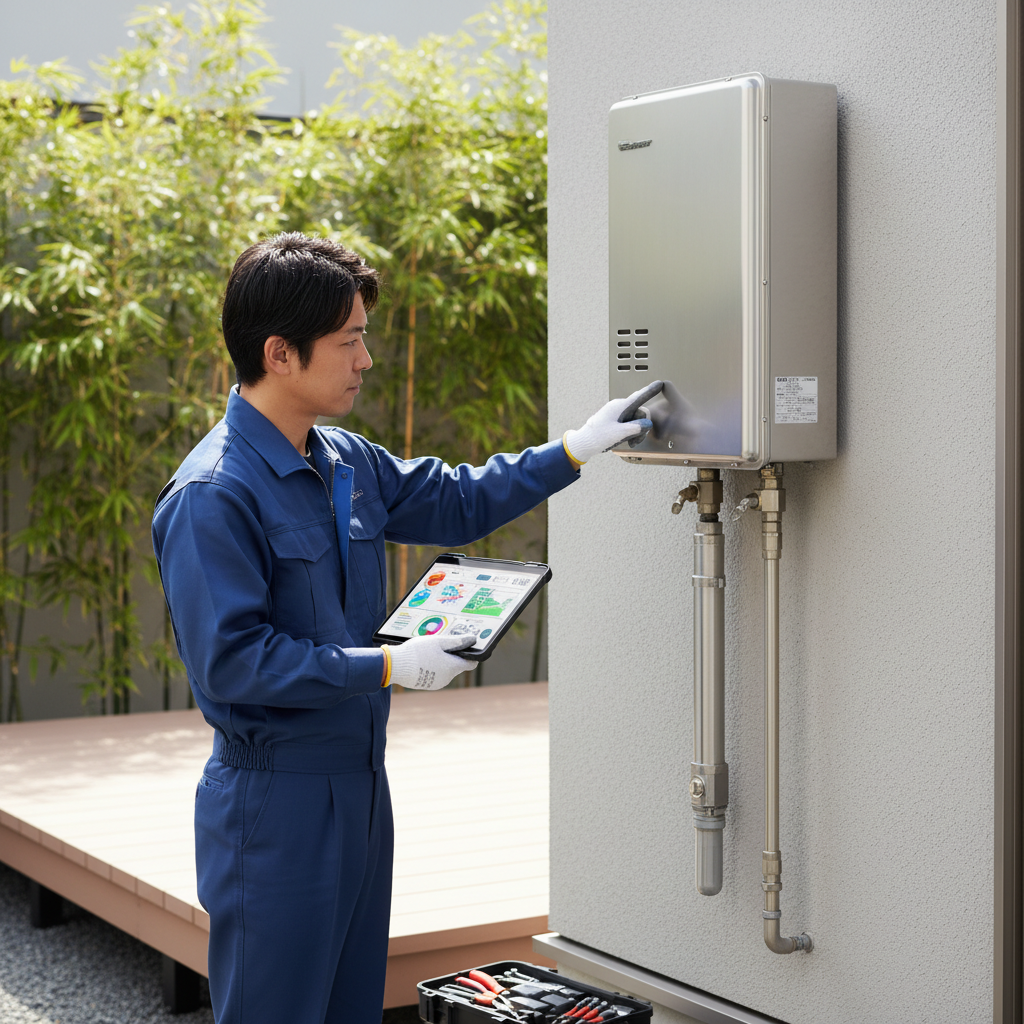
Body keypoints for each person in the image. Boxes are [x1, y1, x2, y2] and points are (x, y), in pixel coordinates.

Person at [151, 232, 651, 1024]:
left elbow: (454, 499)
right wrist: (382, 668)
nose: (365, 360)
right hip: (273, 800)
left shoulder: (345, 459)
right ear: (280, 354)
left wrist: (575, 451)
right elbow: (233, 664)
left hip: (360, 782)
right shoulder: (213, 494)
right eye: (349, 341)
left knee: (353, 1008)